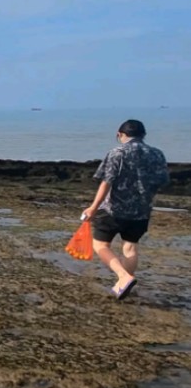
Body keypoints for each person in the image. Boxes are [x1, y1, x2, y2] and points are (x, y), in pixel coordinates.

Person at [82, 119, 169, 300]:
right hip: (141, 211)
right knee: (130, 248)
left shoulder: (117, 153)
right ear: (143, 135)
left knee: (100, 245)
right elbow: (162, 181)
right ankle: (122, 286)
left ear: (120, 134)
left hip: (113, 210)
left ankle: (123, 277)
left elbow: (106, 182)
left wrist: (93, 207)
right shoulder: (157, 154)